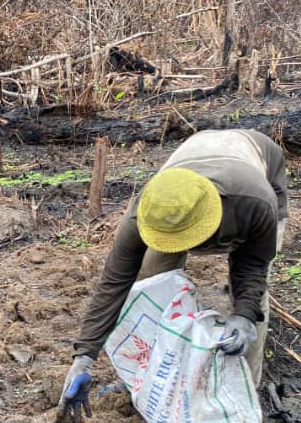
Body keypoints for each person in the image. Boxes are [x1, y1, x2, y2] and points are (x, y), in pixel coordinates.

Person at [63, 128, 288, 405]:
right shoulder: (148, 211)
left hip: (253, 166)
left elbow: (253, 265)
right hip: (193, 157)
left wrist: (244, 314)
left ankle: (244, 393)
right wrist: (84, 358)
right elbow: (114, 283)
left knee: (251, 302)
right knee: (149, 278)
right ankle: (148, 374)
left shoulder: (256, 203)